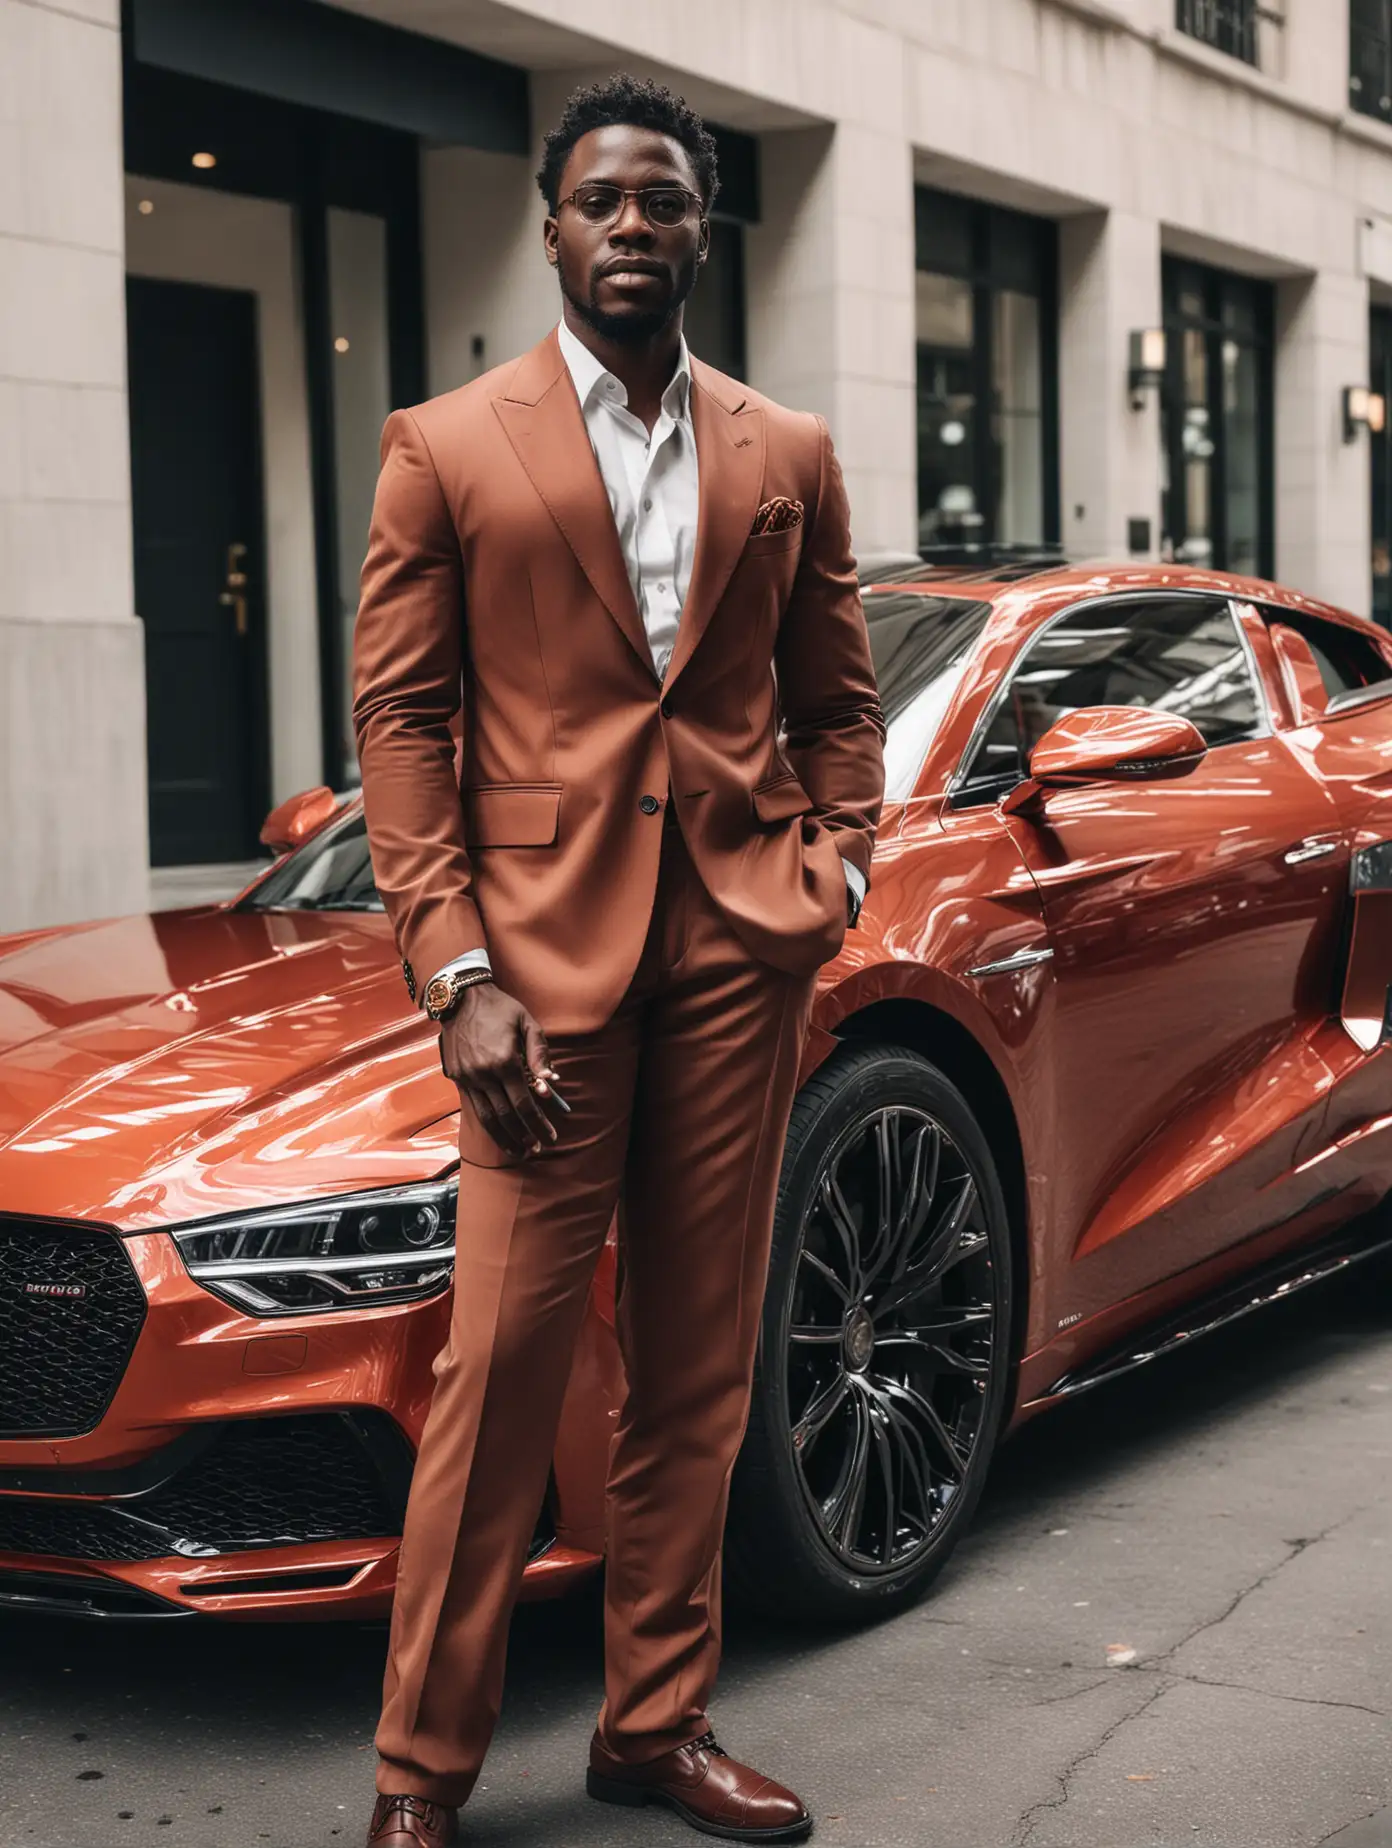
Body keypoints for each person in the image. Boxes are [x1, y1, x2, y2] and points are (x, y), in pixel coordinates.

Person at [352, 73, 885, 1848]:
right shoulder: (446, 443)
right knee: (499, 1373)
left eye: (664, 197)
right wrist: (453, 969)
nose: (633, 224)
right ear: (553, 221)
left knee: (697, 1367)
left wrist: (839, 866)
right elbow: (406, 725)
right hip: (530, 982)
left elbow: (838, 700)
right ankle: (423, 1771)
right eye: (601, 200)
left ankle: (655, 1725)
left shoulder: (785, 450)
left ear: (703, 221)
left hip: (740, 954)